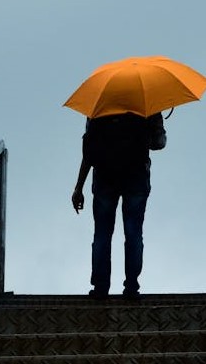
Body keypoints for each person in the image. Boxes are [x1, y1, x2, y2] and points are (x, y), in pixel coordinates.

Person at [71, 111, 166, 299]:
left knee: (102, 235)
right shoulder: (147, 105)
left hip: (105, 179)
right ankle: (131, 287)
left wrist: (78, 186)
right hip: (136, 178)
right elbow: (159, 143)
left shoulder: (100, 106)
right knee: (133, 234)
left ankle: (100, 288)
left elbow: (88, 150)